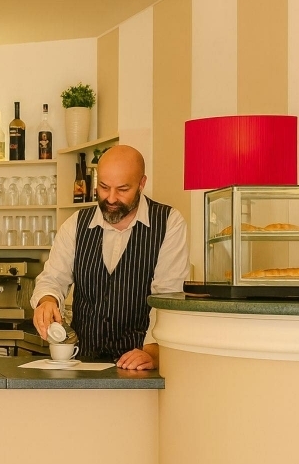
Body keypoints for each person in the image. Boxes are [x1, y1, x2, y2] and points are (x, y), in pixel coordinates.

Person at [31, 145, 189, 370]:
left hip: (138, 365)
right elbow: (52, 279)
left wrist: (154, 352)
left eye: (123, 189)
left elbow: (168, 296)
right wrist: (47, 301)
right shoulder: (76, 224)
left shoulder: (169, 223)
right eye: (104, 187)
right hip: (82, 362)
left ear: (141, 183)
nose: (111, 198)